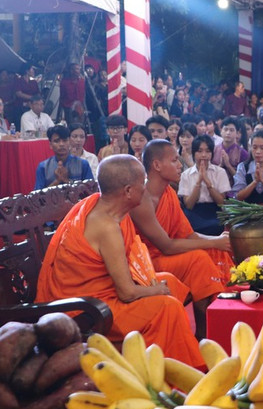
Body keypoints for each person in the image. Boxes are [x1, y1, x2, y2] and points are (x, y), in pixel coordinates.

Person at [37, 155, 203, 366]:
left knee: (168, 281)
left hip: (101, 293)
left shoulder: (102, 205)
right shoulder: (106, 226)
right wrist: (155, 291)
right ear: (127, 191)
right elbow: (127, 293)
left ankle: (165, 355)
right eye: (142, 182)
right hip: (87, 310)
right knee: (166, 306)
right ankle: (162, 371)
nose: (146, 187)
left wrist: (157, 287)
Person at [131, 139, 233, 339]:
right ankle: (203, 334)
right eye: (175, 160)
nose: (180, 165)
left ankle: (217, 319)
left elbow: (189, 235)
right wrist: (214, 241)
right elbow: (167, 246)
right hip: (145, 264)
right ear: (157, 165)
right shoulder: (141, 198)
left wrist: (219, 240)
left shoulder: (168, 193)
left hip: (164, 256)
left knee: (214, 251)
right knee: (199, 259)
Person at [179, 135, 232, 236]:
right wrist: (198, 182)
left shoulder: (220, 172)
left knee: (216, 226)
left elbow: (221, 202)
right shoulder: (186, 174)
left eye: (208, 151)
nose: (204, 155)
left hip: (214, 209)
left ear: (212, 153)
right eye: (199, 151)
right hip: (194, 210)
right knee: (190, 226)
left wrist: (208, 182)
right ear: (194, 153)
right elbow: (189, 205)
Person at [34, 125, 93, 190]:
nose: (61, 144)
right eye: (57, 141)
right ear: (50, 145)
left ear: (69, 142)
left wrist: (66, 180)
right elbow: (37, 196)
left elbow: (90, 190)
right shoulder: (43, 167)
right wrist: (57, 181)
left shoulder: (83, 164)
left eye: (64, 140)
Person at [212, 116, 249, 182]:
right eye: (225, 129)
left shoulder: (243, 153)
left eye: (231, 130)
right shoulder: (213, 150)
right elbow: (210, 175)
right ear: (221, 131)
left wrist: (228, 165)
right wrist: (221, 165)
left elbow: (243, 179)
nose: (228, 133)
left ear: (237, 133)